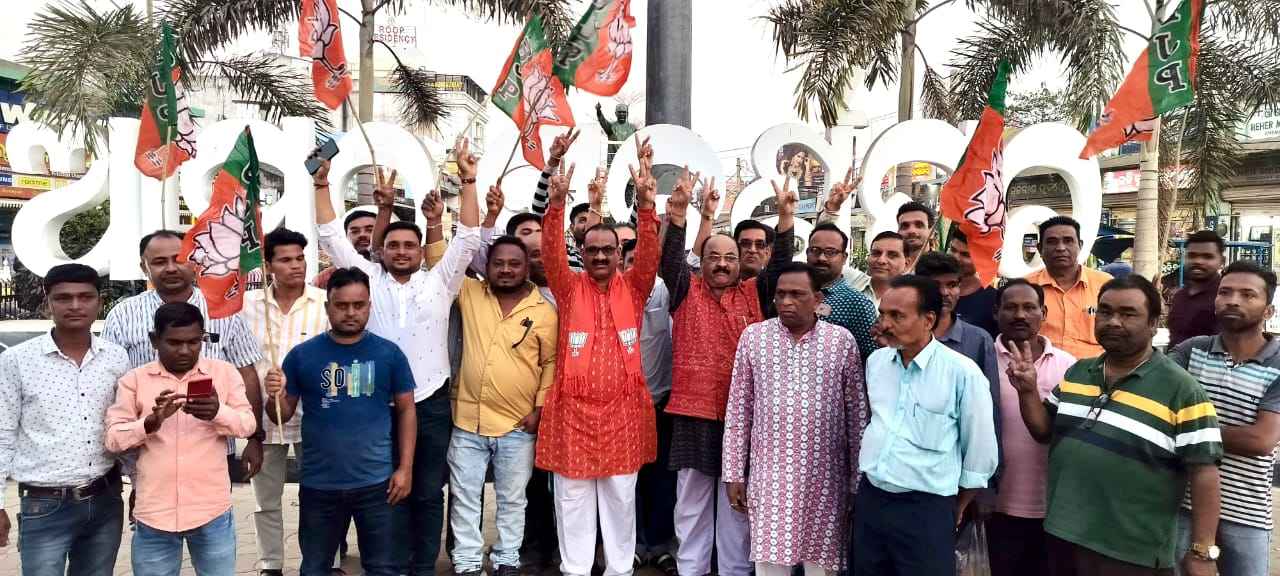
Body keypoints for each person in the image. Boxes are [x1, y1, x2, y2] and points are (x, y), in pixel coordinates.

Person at [311, 140, 483, 576]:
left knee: (427, 491)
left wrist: (468, 180)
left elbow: (468, 238)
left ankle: (422, 566)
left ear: (421, 251)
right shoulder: (367, 280)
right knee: (382, 491)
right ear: (381, 251)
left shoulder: (440, 282)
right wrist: (321, 184)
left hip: (430, 403)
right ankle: (388, 565)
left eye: (410, 245)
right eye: (394, 245)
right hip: (374, 405)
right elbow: (330, 234)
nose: (402, 251)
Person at [1011, 275, 1222, 576]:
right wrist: (1027, 391)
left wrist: (1203, 551)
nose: (1113, 322)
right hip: (1063, 536)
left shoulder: (1182, 390)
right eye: (1106, 312)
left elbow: (1204, 473)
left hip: (1131, 552)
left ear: (1153, 323)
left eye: (1128, 314)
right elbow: (1043, 430)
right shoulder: (1079, 372)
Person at [660, 169, 795, 576]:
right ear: (701, 261)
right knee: (691, 503)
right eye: (714, 257)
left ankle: (735, 571)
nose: (722, 264)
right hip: (692, 413)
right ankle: (691, 570)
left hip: (745, 417)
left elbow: (781, 265)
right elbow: (669, 260)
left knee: (738, 503)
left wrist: (786, 218)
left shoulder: (755, 293)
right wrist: (679, 215)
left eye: (730, 258)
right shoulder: (685, 290)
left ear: (742, 263)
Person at [535, 139, 660, 576]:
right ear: (582, 254)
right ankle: (575, 570)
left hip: (623, 413)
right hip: (573, 413)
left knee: (622, 499)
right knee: (572, 500)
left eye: (609, 250)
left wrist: (647, 205)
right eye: (593, 250)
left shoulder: (636, 287)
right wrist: (555, 206)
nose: (602, 255)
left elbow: (650, 254)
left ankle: (620, 570)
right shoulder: (568, 288)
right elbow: (550, 254)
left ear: (619, 254)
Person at [263, 267, 417, 576]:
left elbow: (406, 411)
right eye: (341, 305)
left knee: (383, 567)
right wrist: (273, 395)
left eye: (358, 305)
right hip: (319, 484)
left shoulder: (389, 354)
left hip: (377, 483)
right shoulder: (302, 355)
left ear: (369, 306)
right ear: (327, 306)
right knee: (315, 567)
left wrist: (405, 468)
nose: (350, 313)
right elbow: (281, 413)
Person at [722, 263, 866, 576]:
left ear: (817, 299)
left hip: (826, 479)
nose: (786, 302)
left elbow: (856, 415)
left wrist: (856, 480)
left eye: (797, 294)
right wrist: (733, 473)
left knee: (821, 564)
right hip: (770, 477)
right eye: (781, 294)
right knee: (770, 564)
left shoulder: (841, 342)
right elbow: (738, 409)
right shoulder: (754, 337)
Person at [854, 275, 998, 576]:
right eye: (883, 314)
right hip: (872, 498)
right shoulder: (877, 363)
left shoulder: (962, 373)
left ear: (928, 320)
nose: (885, 324)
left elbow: (980, 451)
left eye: (897, 316)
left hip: (926, 508)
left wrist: (955, 506)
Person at [105, 302, 257, 576]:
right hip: (155, 513)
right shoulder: (134, 381)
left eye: (193, 342)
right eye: (174, 343)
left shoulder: (223, 373)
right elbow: (113, 440)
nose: (185, 350)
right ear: (154, 340)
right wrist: (149, 423)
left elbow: (248, 425)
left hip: (211, 510)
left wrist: (217, 412)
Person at [102, 230, 266, 485]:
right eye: (159, 262)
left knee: (212, 507)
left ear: (195, 262)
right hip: (148, 451)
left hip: (212, 447)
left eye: (178, 259)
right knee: (151, 509)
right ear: (144, 267)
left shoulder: (225, 310)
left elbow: (247, 374)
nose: (171, 268)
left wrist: (255, 438)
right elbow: (110, 383)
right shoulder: (122, 315)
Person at [0, 264, 129, 576]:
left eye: (85, 297)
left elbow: (124, 426)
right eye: (63, 298)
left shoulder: (116, 357)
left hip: (106, 499)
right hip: (44, 505)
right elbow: (3, 433)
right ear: (48, 303)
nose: (75, 305)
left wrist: (140, 485)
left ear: (99, 302)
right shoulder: (16, 361)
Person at [448, 235, 557, 576]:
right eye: (498, 263)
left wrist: (539, 409)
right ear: (488, 266)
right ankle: (467, 561)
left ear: (526, 268)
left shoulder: (544, 311)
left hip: (518, 425)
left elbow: (550, 363)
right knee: (465, 496)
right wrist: (436, 222)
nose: (506, 270)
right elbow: (442, 260)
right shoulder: (470, 293)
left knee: (513, 499)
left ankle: (507, 559)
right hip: (468, 421)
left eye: (514, 264)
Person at [1168, 260, 1280, 576]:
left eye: (1248, 295)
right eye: (1225, 292)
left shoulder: (1278, 364)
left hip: (1246, 513)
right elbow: (1157, 405)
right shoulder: (1191, 351)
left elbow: (1261, 440)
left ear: (1268, 311)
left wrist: (1190, 431)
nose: (1232, 300)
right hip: (1183, 504)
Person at [241, 228, 335, 576]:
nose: (296, 265)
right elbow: (241, 361)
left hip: (315, 418)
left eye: (299, 258)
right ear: (268, 265)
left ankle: (324, 563)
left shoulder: (324, 304)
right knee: (265, 500)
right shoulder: (247, 306)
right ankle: (270, 564)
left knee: (319, 497)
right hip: (264, 419)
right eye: (285, 260)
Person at [987, 279, 1077, 576]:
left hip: (1053, 508)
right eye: (1011, 307)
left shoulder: (1069, 367)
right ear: (996, 312)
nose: (1020, 315)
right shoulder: (981, 361)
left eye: (1029, 307)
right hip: (995, 506)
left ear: (1044, 313)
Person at [621, 235, 678, 570]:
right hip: (621, 409)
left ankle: (660, 544)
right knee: (627, 483)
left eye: (645, 263)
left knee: (662, 482)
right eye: (632, 262)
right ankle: (633, 544)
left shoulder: (667, 292)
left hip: (661, 405)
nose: (638, 269)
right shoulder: (613, 294)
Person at [913, 252, 1001, 464]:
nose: (945, 293)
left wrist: (988, 471)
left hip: (958, 460)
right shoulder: (905, 338)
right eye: (936, 285)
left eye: (952, 285)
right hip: (908, 459)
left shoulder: (978, 340)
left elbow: (990, 409)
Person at [1026, 216, 1112, 359]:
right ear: (1040, 249)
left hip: (1094, 369)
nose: (1060, 248)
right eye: (1052, 242)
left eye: (1068, 241)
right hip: (1040, 368)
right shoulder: (1025, 288)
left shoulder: (1106, 285)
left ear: (1080, 245)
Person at [806, 222, 879, 365]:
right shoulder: (792, 294)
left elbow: (872, 359)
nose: (821, 258)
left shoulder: (857, 304)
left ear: (844, 257)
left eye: (830, 252)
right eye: (815, 250)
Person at [1167, 230, 1226, 348]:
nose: (1198, 261)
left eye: (1207, 257)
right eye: (1192, 256)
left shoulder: (1225, 298)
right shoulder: (1180, 296)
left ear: (1222, 261)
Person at [948, 228, 999, 337]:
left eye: (965, 255)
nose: (956, 258)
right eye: (953, 250)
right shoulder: (931, 290)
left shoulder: (994, 299)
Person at [312, 210, 379, 288]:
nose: (362, 235)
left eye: (370, 230)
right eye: (355, 231)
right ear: (345, 237)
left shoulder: (389, 271)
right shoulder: (325, 279)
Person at [865, 232, 908, 306]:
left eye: (892, 255)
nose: (881, 261)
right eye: (876, 253)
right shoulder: (852, 285)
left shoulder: (914, 299)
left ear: (906, 263)